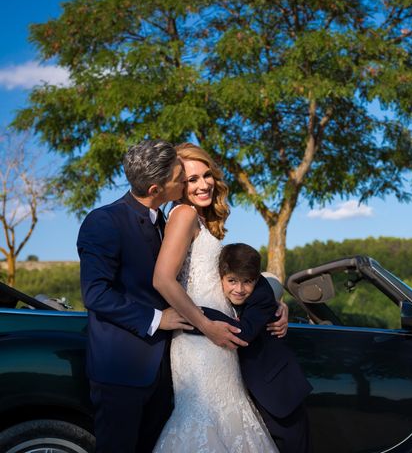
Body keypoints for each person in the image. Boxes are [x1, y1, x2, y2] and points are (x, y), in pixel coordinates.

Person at [152, 142, 286, 453]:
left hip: (219, 339)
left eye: (206, 175)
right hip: (199, 342)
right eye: (191, 180)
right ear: (179, 186)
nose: (202, 184)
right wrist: (206, 325)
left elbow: (234, 284)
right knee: (203, 419)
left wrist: (276, 304)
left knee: (229, 416)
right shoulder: (183, 214)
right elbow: (162, 279)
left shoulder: (203, 221)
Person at [77, 139, 193, 453]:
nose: (184, 180)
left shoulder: (165, 221)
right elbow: (96, 294)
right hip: (121, 373)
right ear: (156, 189)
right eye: (178, 177)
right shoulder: (104, 221)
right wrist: (159, 318)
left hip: (167, 371)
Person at [196, 243, 313, 453]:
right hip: (243, 395)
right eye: (232, 281)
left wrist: (194, 312)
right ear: (221, 276)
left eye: (247, 282)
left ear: (256, 279)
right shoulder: (216, 291)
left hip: (278, 392)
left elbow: (245, 332)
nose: (239, 289)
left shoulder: (262, 295)